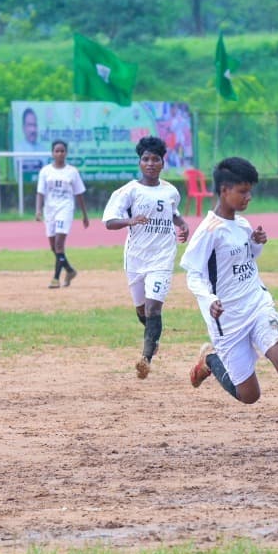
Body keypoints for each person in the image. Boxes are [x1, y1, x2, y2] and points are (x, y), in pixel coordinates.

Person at [181, 156, 278, 461]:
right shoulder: (208, 231)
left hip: (257, 304)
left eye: (250, 190)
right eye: (243, 191)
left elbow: (246, 260)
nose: (248, 197)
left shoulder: (241, 224)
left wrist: (256, 243)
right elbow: (194, 275)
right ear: (224, 191)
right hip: (227, 319)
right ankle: (211, 360)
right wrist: (209, 300)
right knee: (249, 396)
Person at [103, 135, 189, 380]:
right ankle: (153, 338)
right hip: (136, 259)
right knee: (142, 311)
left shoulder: (171, 191)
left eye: (156, 159)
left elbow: (172, 212)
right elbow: (109, 222)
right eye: (146, 159)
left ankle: (145, 358)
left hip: (162, 258)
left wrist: (182, 223)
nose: (150, 163)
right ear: (139, 162)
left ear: (163, 162)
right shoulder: (129, 191)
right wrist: (130, 220)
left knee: (153, 307)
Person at [35, 140, 89, 289]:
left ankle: (56, 278)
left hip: (65, 209)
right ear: (52, 153)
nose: (59, 153)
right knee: (54, 246)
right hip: (49, 210)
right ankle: (70, 270)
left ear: (66, 153)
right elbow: (40, 192)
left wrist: (84, 215)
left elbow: (79, 194)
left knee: (59, 243)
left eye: (62, 151)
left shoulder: (72, 171)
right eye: (57, 151)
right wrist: (38, 210)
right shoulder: (45, 171)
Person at [18, 107, 46, 175]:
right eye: (30, 125)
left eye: (35, 125)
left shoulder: (43, 150)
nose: (33, 130)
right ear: (23, 128)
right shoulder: (18, 150)